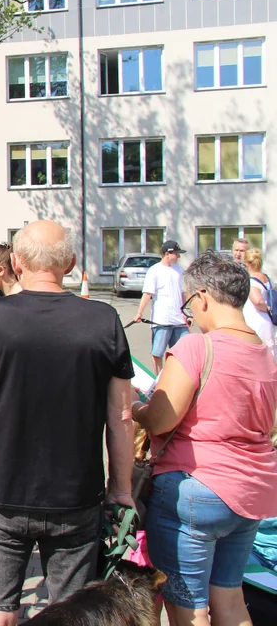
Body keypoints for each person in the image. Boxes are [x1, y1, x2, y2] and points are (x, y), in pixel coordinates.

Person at [0, 221, 136, 626]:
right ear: (70, 264)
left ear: (16, 263)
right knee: (70, 614)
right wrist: (120, 488)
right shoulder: (105, 320)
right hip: (77, 494)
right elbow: (122, 415)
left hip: (3, 492)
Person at [131, 251, 277, 625]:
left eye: (188, 304)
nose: (188, 315)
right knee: (230, 599)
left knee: (188, 606)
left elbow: (162, 420)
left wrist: (135, 407)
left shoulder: (198, 347)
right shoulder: (264, 353)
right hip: (252, 491)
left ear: (202, 298)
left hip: (196, 488)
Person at [133, 240, 191, 374]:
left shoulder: (179, 270)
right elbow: (147, 293)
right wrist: (139, 312)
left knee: (182, 353)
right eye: (176, 254)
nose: (178, 257)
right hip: (161, 320)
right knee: (157, 353)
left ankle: (177, 379)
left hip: (179, 321)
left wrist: (187, 313)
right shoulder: (154, 271)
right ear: (167, 254)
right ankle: (158, 379)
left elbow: (182, 293)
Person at [244, 248, 276, 361]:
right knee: (270, 353)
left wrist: (266, 308)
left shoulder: (251, 280)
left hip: (256, 320)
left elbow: (257, 301)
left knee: (257, 354)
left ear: (247, 263)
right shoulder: (267, 278)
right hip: (269, 321)